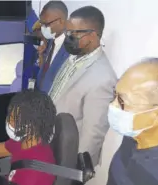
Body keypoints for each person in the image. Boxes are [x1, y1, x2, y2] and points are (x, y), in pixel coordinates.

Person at [48, 6, 117, 167]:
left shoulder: (103, 78)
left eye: (75, 33)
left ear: (92, 35)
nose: (68, 37)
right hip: (51, 144)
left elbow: (93, 133)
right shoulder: (75, 56)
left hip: (68, 156)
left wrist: (76, 170)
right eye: (68, 32)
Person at [36, 0, 69, 93]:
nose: (43, 28)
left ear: (61, 22)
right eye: (41, 23)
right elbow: (46, 71)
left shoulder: (70, 51)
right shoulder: (50, 41)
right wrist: (41, 56)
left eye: (46, 24)